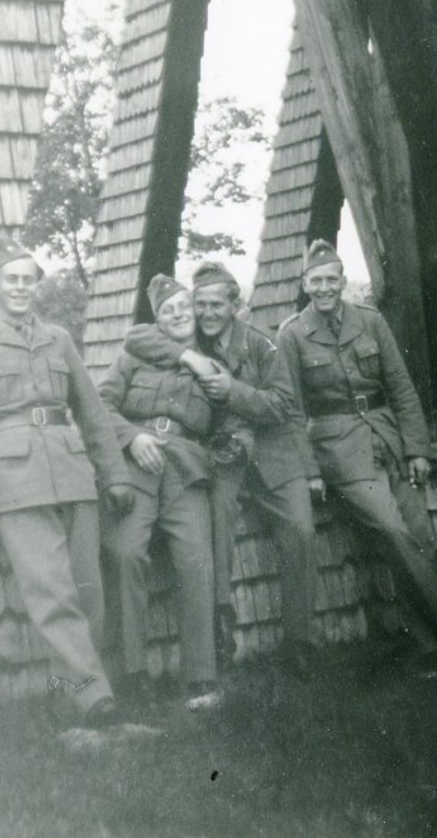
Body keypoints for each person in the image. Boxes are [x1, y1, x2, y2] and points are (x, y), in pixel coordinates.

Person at [0, 240, 134, 728]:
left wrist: (114, 475)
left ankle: (71, 690)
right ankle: (92, 700)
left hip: (70, 471)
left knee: (88, 591)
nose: (20, 288)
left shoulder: (58, 340)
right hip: (14, 481)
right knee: (51, 592)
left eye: (28, 279)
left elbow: (91, 411)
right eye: (11, 279)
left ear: (36, 285)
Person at [124, 261, 321, 677]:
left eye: (217, 305)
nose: (207, 314)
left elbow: (284, 405)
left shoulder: (262, 344)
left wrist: (234, 391)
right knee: (215, 523)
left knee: (301, 530)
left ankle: (299, 641)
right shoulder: (196, 345)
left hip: (273, 453)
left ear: (236, 305)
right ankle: (221, 627)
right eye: (201, 305)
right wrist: (187, 357)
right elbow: (140, 337)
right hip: (226, 456)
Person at [273, 239, 437, 661]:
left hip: (387, 437)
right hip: (340, 449)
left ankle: (429, 646)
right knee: (392, 529)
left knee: (418, 533)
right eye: (315, 281)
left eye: (331, 279)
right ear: (304, 285)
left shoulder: (371, 321)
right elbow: (291, 413)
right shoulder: (292, 335)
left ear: (342, 281)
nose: (324, 288)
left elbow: (401, 388)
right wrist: (310, 470)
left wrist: (417, 449)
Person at [97, 275, 223, 712]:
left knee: (195, 557)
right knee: (127, 551)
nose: (178, 313)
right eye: (168, 309)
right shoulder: (132, 356)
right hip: (138, 464)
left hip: (186, 468)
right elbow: (100, 406)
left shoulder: (215, 357)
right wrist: (132, 438)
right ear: (158, 320)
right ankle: (133, 674)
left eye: (184, 305)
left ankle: (201, 677)